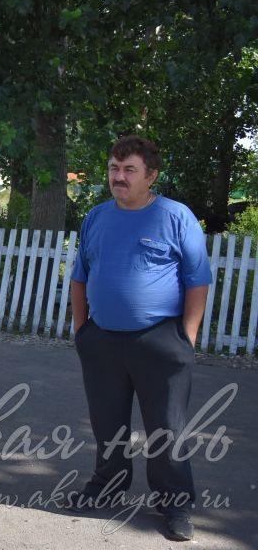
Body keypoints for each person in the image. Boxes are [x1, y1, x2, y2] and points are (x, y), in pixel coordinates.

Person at [67, 135, 211, 542]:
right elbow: (80, 276)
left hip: (161, 338)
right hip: (103, 341)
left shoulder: (175, 216)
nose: (119, 176)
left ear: (152, 176)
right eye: (114, 168)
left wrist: (188, 336)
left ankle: (175, 503)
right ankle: (108, 485)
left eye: (129, 169)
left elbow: (197, 280)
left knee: (166, 428)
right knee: (106, 424)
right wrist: (82, 330)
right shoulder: (96, 217)